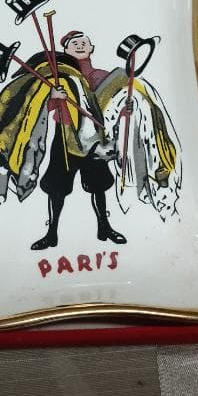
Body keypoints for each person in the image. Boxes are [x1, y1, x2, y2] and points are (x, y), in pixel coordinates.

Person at [32, 30, 127, 250]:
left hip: (94, 137)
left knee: (98, 184)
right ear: (66, 50)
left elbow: (116, 104)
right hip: (65, 135)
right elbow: (44, 105)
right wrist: (53, 96)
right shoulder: (59, 77)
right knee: (57, 186)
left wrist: (127, 109)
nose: (80, 45)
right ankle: (51, 233)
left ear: (91, 47)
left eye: (84, 42)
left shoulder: (102, 76)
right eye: (74, 43)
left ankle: (104, 227)